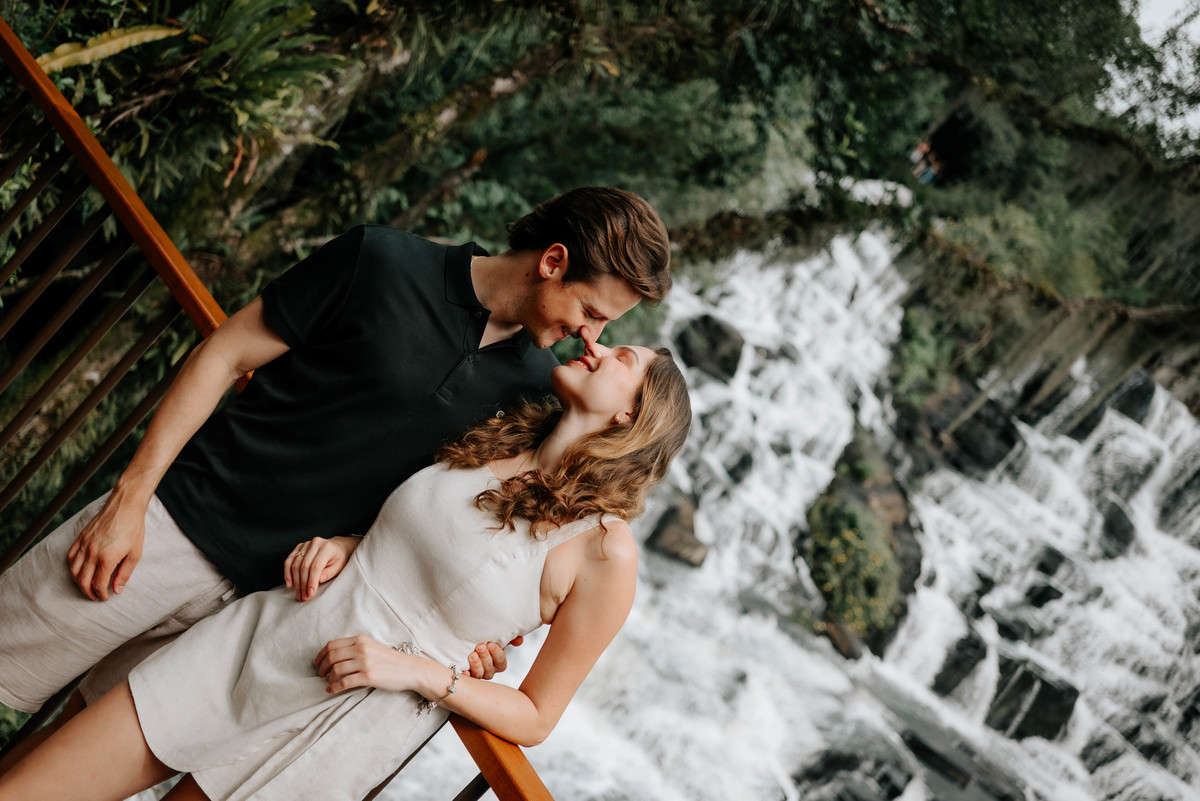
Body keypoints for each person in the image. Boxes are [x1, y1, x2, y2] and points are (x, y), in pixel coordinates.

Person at [0, 187, 671, 759]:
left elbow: (485, 537)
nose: (592, 337)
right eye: (592, 313)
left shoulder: (539, 392)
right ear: (553, 262)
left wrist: (471, 642)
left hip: (269, 617)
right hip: (169, 531)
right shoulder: (381, 260)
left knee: (63, 760)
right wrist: (130, 500)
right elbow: (226, 354)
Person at [0, 339, 693, 801]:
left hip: (351, 716)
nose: (597, 345)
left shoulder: (606, 552)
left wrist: (423, 672)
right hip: (271, 631)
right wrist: (347, 542)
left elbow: (537, 715)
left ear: (631, 414)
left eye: (621, 356)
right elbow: (423, 542)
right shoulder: (504, 431)